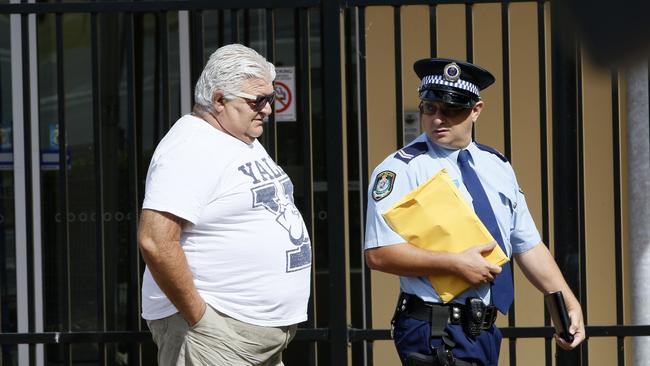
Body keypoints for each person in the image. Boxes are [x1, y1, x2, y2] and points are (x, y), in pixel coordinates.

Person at [364, 58, 585, 366]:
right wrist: (454, 264)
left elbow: (527, 244)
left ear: (476, 110)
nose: (438, 119)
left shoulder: (496, 164)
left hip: (483, 330)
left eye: (451, 109)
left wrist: (567, 301)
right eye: (430, 108)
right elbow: (378, 254)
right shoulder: (400, 170)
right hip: (435, 326)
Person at [137, 44, 312, 366]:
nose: (268, 109)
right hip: (216, 336)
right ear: (218, 100)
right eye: (257, 101)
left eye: (270, 99)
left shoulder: (238, 137)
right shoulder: (191, 147)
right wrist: (201, 320)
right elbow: (156, 240)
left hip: (248, 334)